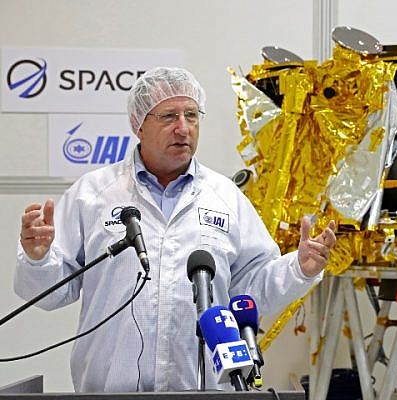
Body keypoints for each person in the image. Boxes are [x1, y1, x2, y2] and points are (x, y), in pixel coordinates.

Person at [15, 67, 336, 392]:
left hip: (204, 391)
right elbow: (50, 293)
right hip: (109, 393)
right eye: (169, 117)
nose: (183, 128)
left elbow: (252, 292)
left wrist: (299, 268)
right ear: (138, 125)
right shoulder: (93, 194)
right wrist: (38, 259)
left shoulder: (226, 198)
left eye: (192, 116)